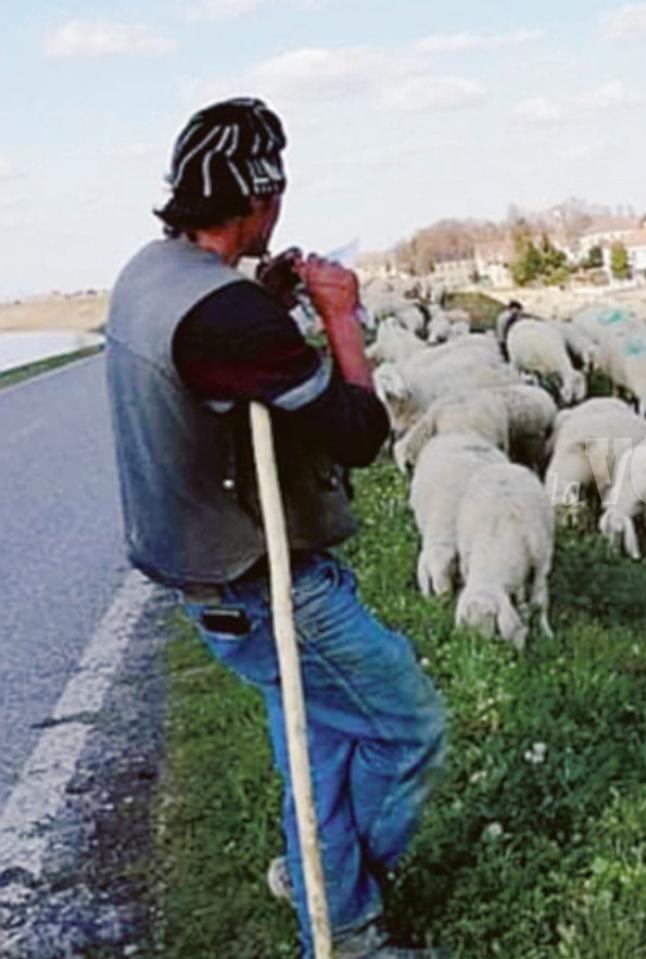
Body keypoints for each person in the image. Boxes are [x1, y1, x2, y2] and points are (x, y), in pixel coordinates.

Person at [104, 97, 446, 959]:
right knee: (408, 725)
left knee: (323, 751)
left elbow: (221, 362)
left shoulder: (150, 275)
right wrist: (340, 317)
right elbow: (358, 433)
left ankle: (348, 930)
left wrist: (265, 296)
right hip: (264, 586)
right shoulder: (227, 319)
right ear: (261, 199)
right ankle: (326, 883)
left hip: (210, 579)